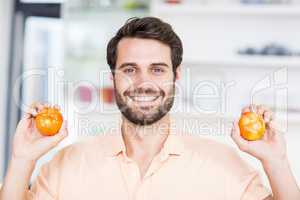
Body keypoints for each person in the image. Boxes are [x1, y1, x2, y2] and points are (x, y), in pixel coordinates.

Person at [0, 17, 299, 200]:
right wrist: (21, 158)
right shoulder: (65, 165)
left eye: (157, 70)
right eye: (129, 69)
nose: (143, 83)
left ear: (176, 76)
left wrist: (277, 160)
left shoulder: (224, 165)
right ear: (112, 78)